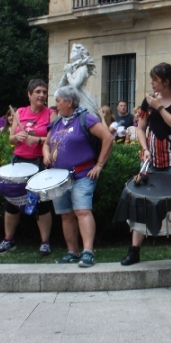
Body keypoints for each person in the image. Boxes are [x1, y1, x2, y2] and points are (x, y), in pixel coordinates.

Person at [122, 63, 171, 266]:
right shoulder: (148, 100)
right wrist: (145, 148)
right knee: (142, 202)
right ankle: (134, 250)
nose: (151, 83)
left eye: (154, 79)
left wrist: (160, 108)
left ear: (165, 82)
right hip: (152, 160)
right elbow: (140, 128)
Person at [44, 85, 113, 268]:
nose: (55, 104)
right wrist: (46, 154)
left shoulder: (86, 118)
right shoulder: (58, 122)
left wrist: (99, 165)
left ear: (69, 101)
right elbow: (46, 142)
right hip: (58, 178)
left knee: (82, 211)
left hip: (82, 175)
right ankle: (72, 252)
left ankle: (88, 252)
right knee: (66, 215)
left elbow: (108, 137)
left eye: (58, 101)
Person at [0, 79, 54, 257]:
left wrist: (36, 140)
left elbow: (54, 139)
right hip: (20, 161)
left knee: (42, 203)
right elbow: (11, 138)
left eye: (44, 92)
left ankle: (45, 242)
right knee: (12, 202)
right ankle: (8, 239)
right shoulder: (20, 112)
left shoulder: (50, 114)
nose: (42, 95)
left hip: (39, 162)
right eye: (37, 91)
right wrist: (18, 136)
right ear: (29, 94)